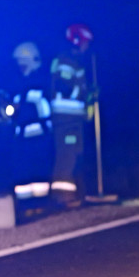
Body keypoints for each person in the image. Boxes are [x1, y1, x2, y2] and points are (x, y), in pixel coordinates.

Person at [47, 24, 94, 209]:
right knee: (67, 155)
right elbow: (64, 87)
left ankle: (68, 194)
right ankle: (63, 197)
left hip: (72, 118)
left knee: (72, 154)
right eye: (85, 43)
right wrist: (83, 94)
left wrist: (88, 95)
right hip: (66, 118)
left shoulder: (71, 61)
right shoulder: (66, 61)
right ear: (76, 41)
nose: (86, 47)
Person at [10, 41, 53, 218]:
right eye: (18, 62)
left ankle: (41, 206)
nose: (20, 65)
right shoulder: (19, 84)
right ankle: (26, 207)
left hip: (39, 136)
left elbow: (40, 105)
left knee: (39, 172)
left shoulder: (37, 82)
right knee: (23, 175)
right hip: (23, 138)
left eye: (23, 61)